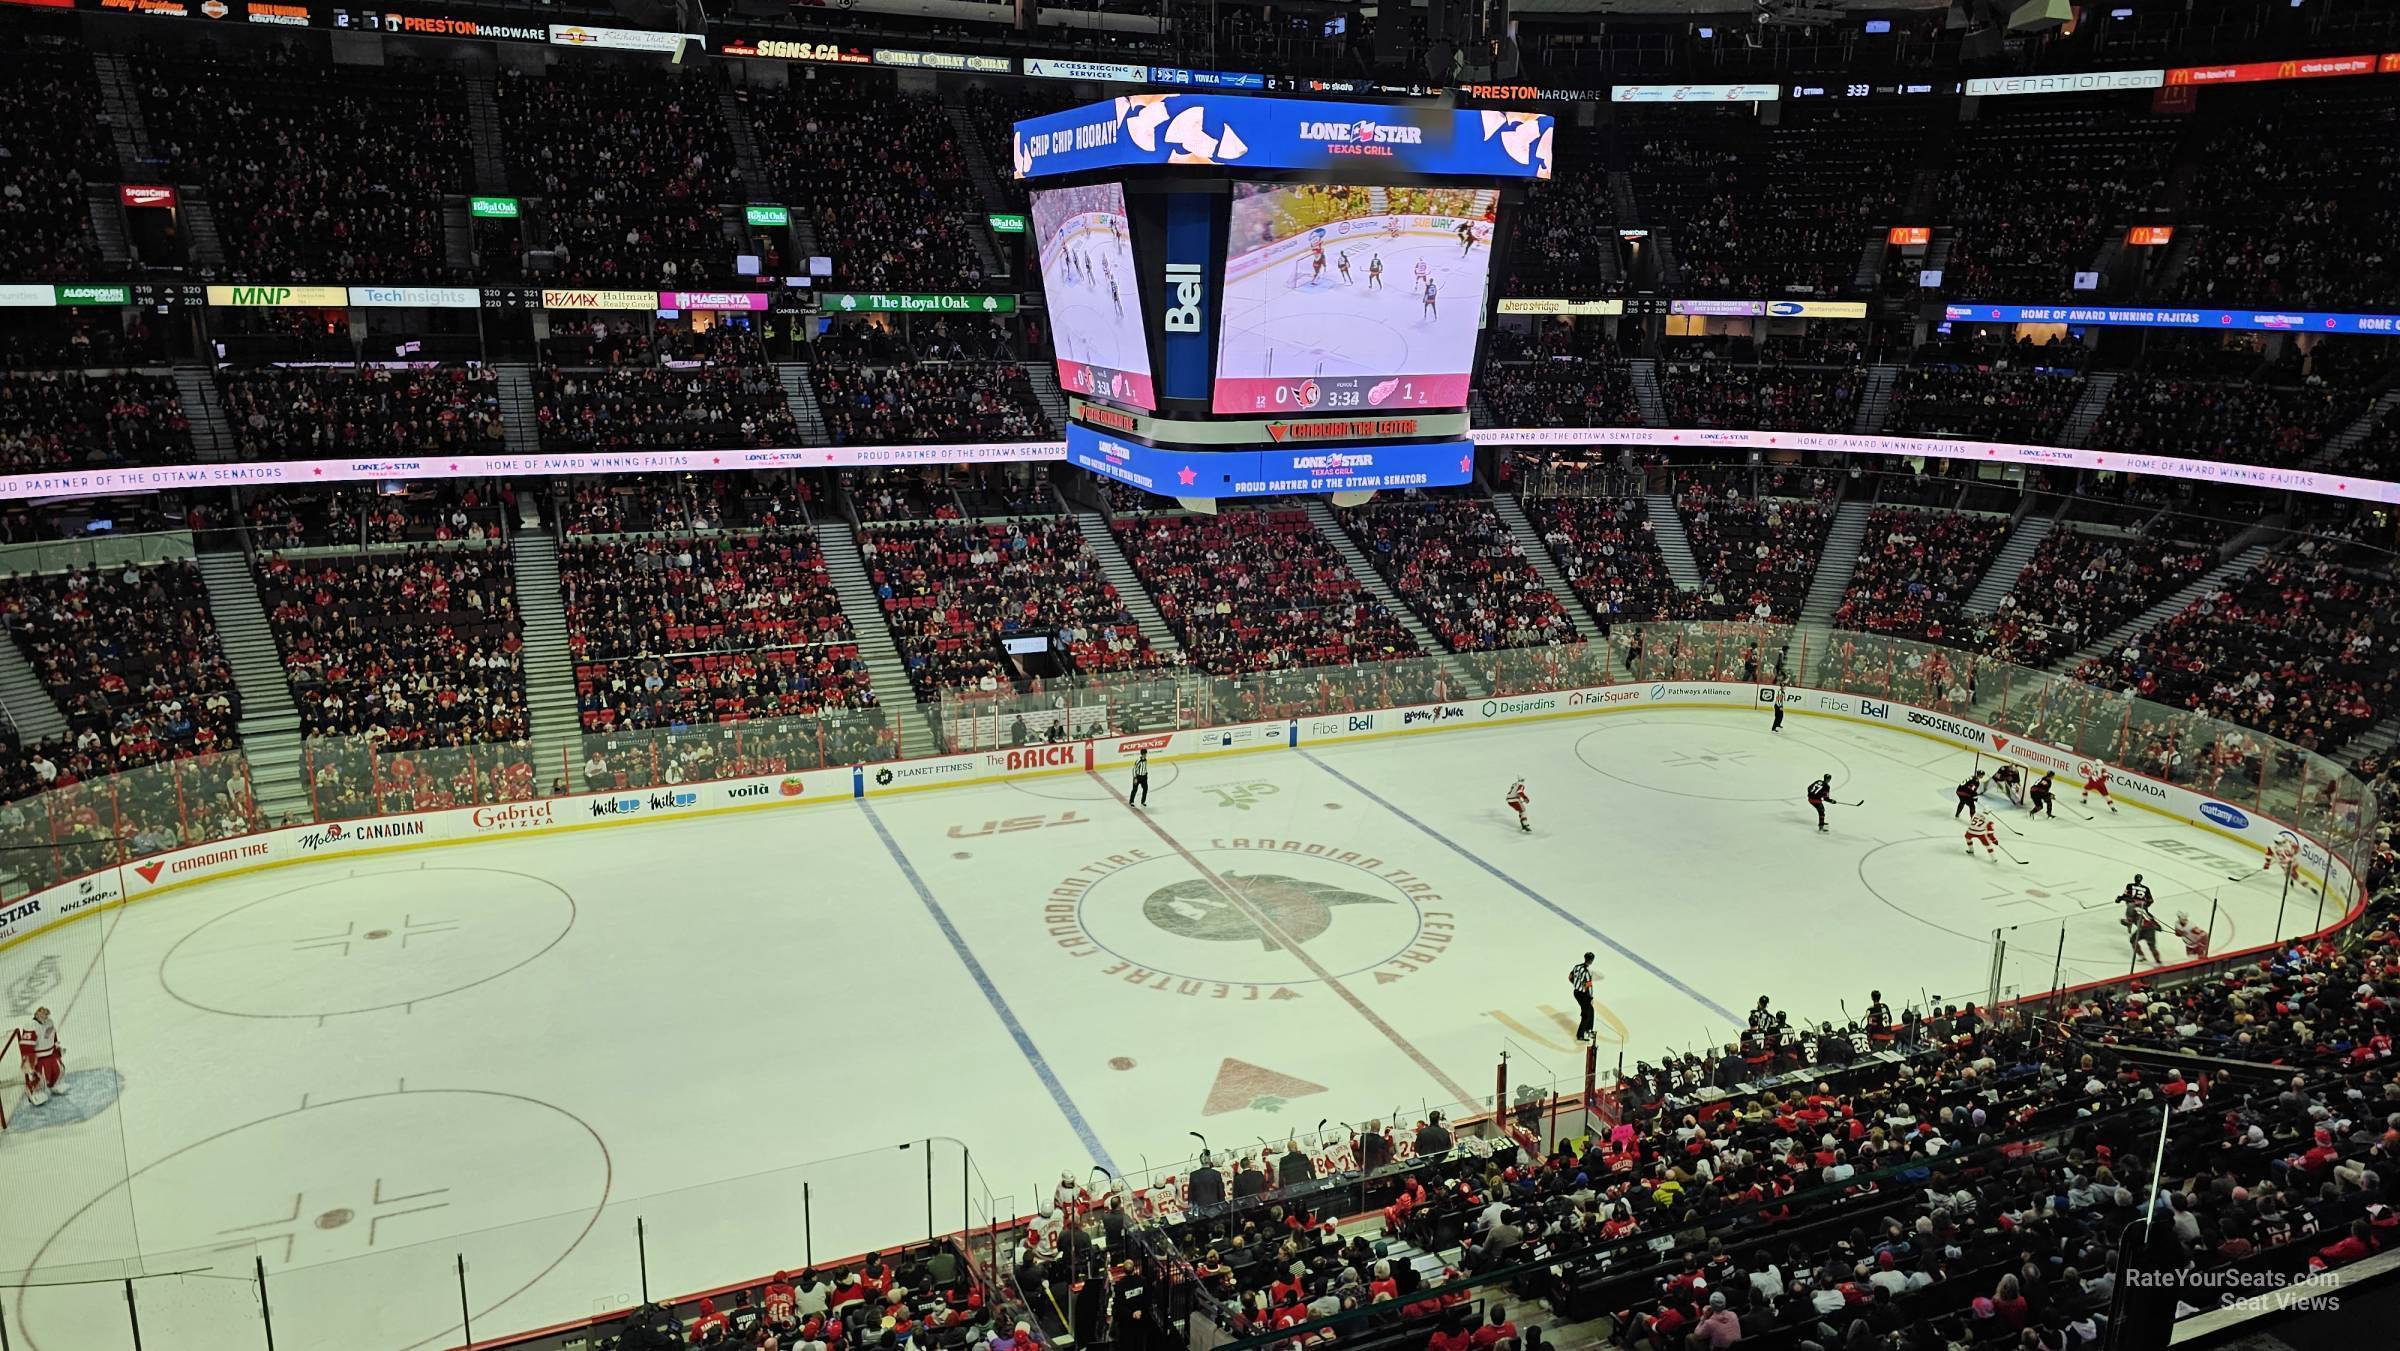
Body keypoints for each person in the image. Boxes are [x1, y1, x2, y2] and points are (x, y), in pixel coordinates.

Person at [1569, 952, 1596, 1043]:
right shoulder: (1586, 972)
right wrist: (1591, 997)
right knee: (1586, 1014)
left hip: (1576, 992)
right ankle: (1580, 1035)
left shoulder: (1577, 967)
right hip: (1583, 995)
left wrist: (1577, 985)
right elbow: (1589, 986)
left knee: (1590, 1010)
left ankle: (1588, 1029)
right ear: (1591, 961)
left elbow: (1570, 977)